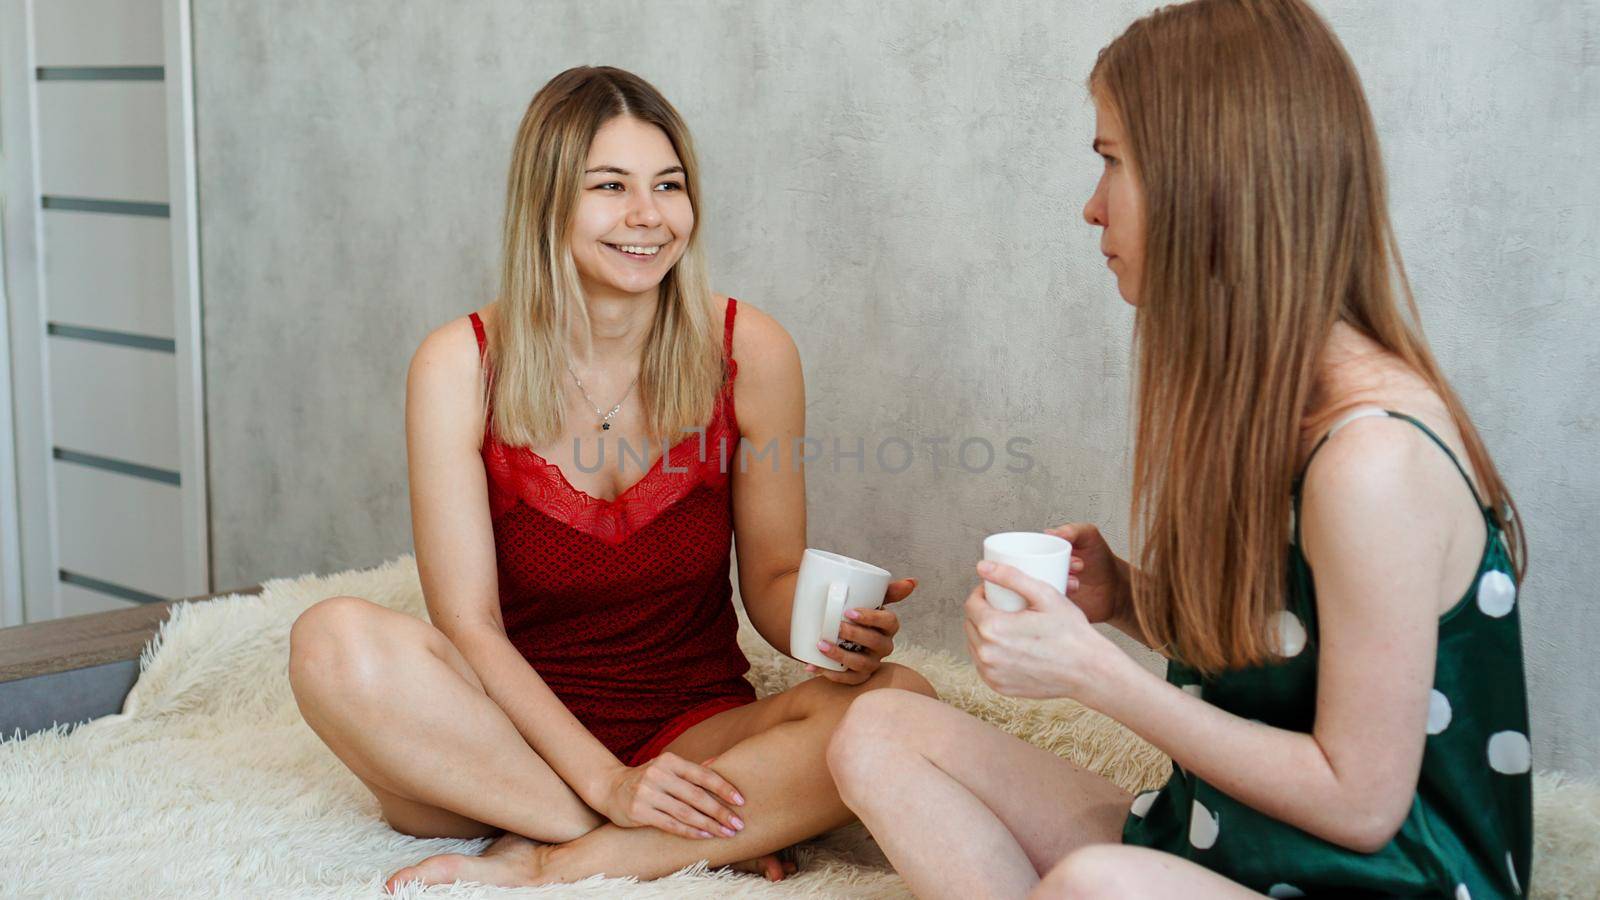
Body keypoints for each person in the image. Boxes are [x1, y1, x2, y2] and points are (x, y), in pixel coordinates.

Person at [826, 1, 1532, 896]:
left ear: (1211, 183)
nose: (1090, 208)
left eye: (1112, 164)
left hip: (1384, 880)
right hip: (1238, 843)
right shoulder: (1273, 399)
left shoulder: (1372, 461)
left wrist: (1096, 679)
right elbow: (1286, 650)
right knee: (879, 731)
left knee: (1095, 884)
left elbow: (1362, 803)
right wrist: (1125, 599)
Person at [286, 65, 935, 890]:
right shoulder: (457, 364)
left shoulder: (751, 350)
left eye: (669, 185)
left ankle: (556, 861)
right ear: (548, 201)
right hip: (498, 747)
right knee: (330, 638)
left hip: (693, 733)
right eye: (610, 187)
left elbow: (771, 579)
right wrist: (610, 786)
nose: (648, 216)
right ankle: (638, 831)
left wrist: (836, 638)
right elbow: (470, 626)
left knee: (900, 700)